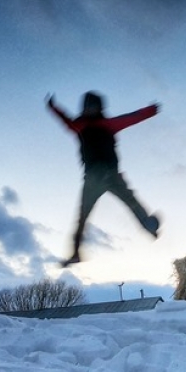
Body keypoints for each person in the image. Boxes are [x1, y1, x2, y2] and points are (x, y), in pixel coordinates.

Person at [47, 91, 160, 267]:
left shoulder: (89, 125)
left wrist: (149, 111)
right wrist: (54, 107)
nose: (90, 110)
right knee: (93, 213)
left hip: (99, 177)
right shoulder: (90, 125)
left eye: (93, 107)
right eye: (88, 108)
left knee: (126, 203)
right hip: (102, 176)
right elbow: (65, 119)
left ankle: (149, 227)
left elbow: (131, 118)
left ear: (97, 108)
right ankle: (76, 252)